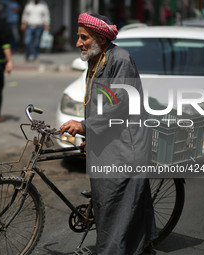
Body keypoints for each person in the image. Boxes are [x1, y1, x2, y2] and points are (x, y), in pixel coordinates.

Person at [59, 13, 155, 255]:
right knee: (111, 203)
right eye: (78, 36)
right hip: (106, 139)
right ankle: (138, 244)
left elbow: (120, 103)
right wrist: (89, 136)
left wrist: (84, 126)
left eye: (84, 37)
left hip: (125, 144)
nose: (78, 43)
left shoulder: (121, 59)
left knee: (115, 203)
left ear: (100, 38)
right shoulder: (96, 58)